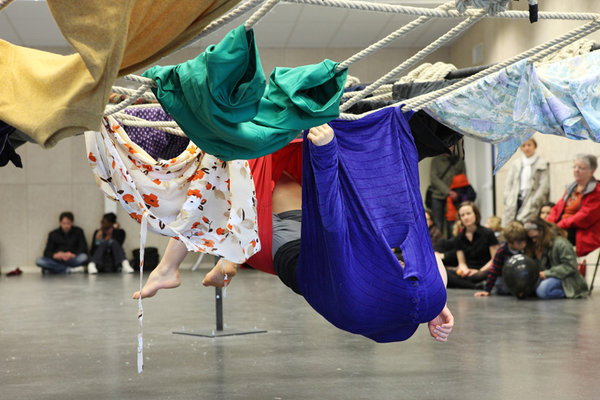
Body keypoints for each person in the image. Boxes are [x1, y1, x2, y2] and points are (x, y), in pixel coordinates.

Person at [133, 124, 454, 343]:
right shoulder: (412, 295)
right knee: (276, 177)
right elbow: (423, 264)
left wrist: (327, 152)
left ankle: (204, 262)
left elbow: (332, 223)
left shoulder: (365, 288)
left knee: (235, 185)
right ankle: (225, 259)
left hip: (301, 255)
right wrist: (435, 304)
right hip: (329, 259)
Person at [547, 154, 600, 257]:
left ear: (592, 171)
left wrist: (558, 226)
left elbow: (584, 218)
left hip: (581, 232)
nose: (576, 170)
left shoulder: (597, 191)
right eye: (575, 167)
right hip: (562, 227)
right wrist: (548, 223)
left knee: (548, 240)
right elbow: (557, 208)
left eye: (581, 168)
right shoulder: (571, 188)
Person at [523, 219, 588, 299]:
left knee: (543, 290)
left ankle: (569, 292)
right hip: (546, 277)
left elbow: (570, 266)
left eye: (535, 237)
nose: (534, 240)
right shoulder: (534, 245)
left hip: (566, 279)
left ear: (542, 231)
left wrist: (547, 273)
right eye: (531, 238)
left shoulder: (561, 243)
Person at [446, 201, 499, 289]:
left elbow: (495, 259)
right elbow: (461, 263)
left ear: (476, 215)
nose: (466, 217)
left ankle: (464, 284)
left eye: (468, 214)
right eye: (462, 215)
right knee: (446, 273)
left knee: (484, 274)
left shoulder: (488, 233)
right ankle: (474, 286)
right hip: (468, 272)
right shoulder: (459, 237)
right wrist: (465, 270)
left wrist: (479, 271)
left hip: (484, 270)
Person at [474, 221, 528, 297]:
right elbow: (494, 269)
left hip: (521, 276)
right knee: (501, 287)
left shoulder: (527, 249)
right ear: (510, 243)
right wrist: (487, 290)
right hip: (505, 278)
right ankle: (485, 284)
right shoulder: (502, 250)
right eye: (519, 242)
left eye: (524, 240)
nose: (524, 244)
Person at [503, 138, 549, 224]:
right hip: (515, 199)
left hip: (531, 200)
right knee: (510, 225)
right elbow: (508, 183)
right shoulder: (516, 163)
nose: (526, 148)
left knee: (526, 224)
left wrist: (535, 200)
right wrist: (507, 198)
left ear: (534, 146)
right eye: (524, 145)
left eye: (529, 145)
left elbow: (544, 185)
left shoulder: (541, 163)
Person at [429, 148, 466, 237]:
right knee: (438, 224)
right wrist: (448, 192)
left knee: (453, 223)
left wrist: (457, 193)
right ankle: (438, 246)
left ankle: (452, 247)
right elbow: (434, 179)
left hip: (454, 198)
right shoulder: (436, 160)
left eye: (452, 144)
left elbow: (463, 178)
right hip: (437, 196)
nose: (450, 146)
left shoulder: (459, 161)